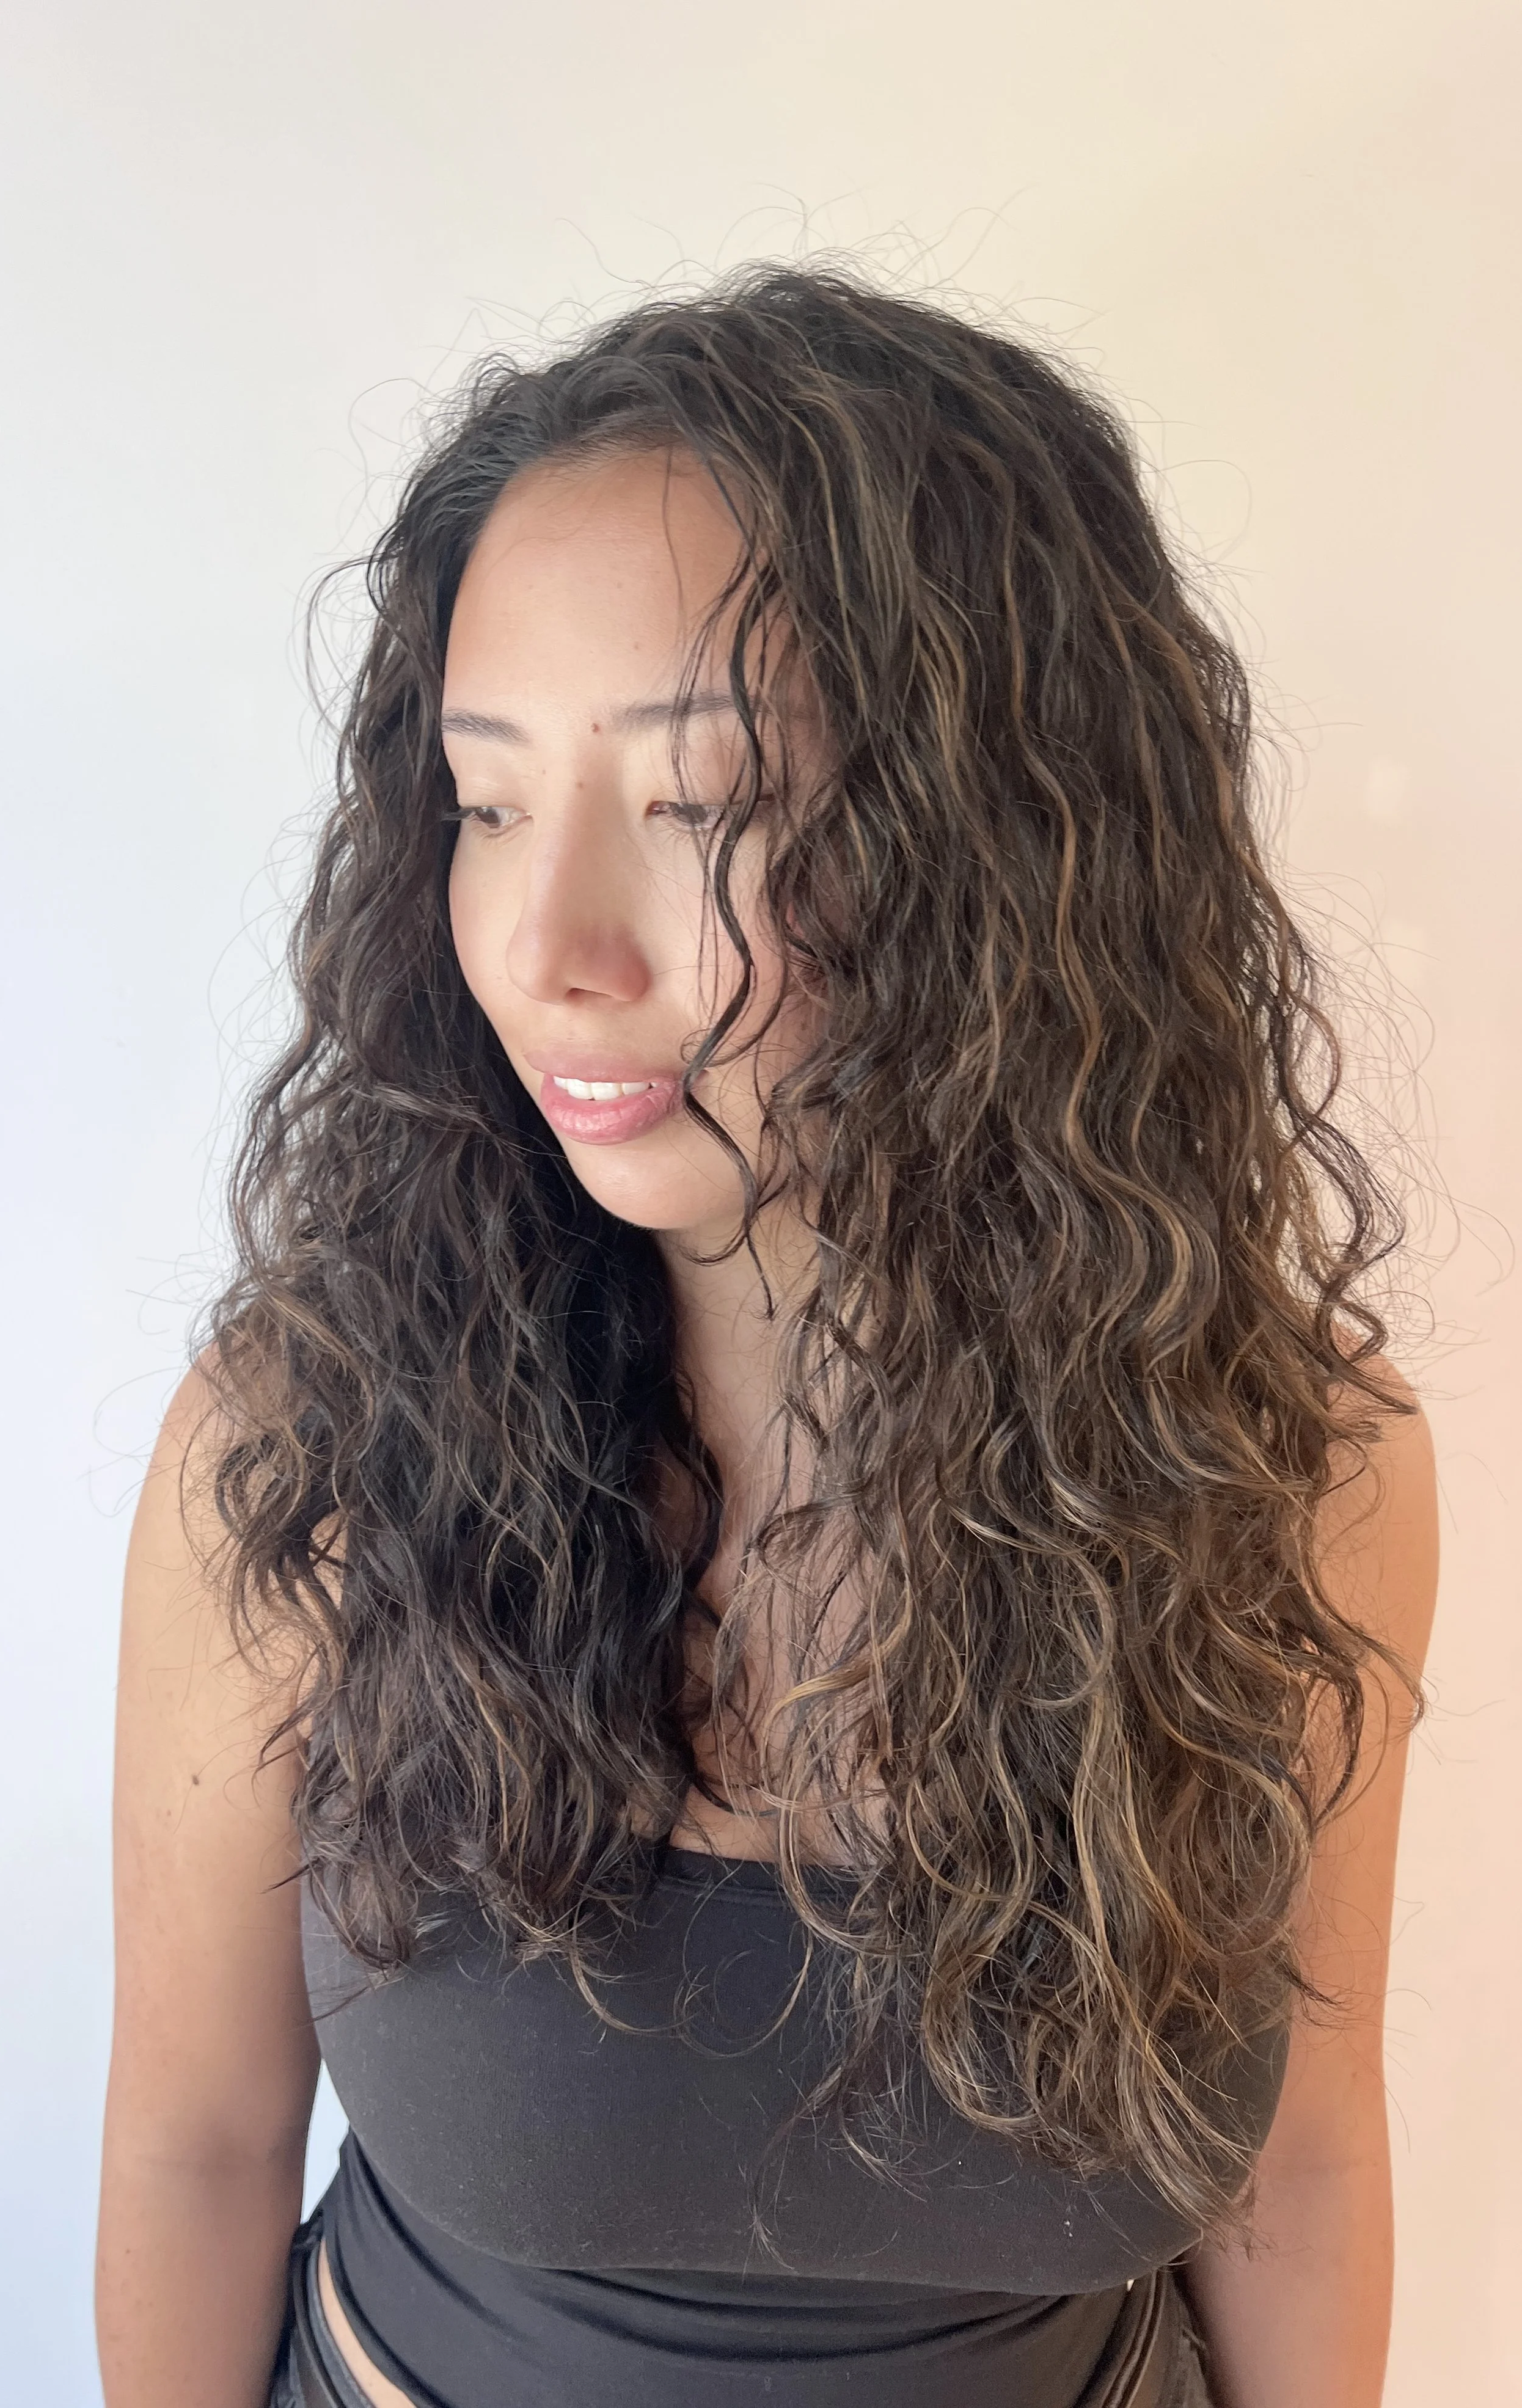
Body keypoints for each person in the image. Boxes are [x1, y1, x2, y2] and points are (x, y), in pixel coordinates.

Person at [95, 263, 1439, 2408]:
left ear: (994, 846)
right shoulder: (310, 1438)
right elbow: (196, 2145)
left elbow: (1295, 2173)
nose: (550, 954)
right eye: (489, 800)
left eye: (700, 805)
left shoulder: (1289, 1474)